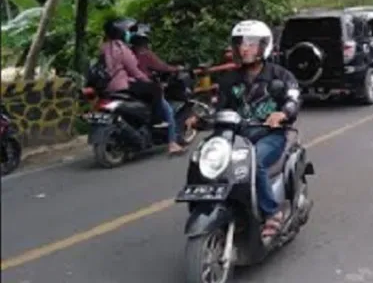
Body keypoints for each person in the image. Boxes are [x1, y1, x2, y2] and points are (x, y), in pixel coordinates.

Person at [188, 20, 300, 239]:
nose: (244, 48)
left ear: (263, 46)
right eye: (240, 43)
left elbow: (293, 100)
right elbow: (218, 108)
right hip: (235, 137)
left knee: (254, 162)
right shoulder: (229, 80)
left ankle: (271, 212)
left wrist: (283, 114)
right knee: (202, 158)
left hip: (269, 135)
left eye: (250, 43)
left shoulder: (281, 76)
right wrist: (199, 119)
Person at [100, 19, 180, 154]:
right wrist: (148, 81)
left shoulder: (104, 48)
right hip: (122, 85)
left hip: (107, 88)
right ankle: (172, 141)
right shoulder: (122, 49)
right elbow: (135, 70)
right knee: (159, 97)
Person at [128, 23, 187, 152]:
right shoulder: (145, 54)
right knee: (169, 111)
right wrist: (178, 68)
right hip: (146, 89)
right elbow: (162, 67)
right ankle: (172, 143)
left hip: (130, 89)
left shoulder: (128, 53)